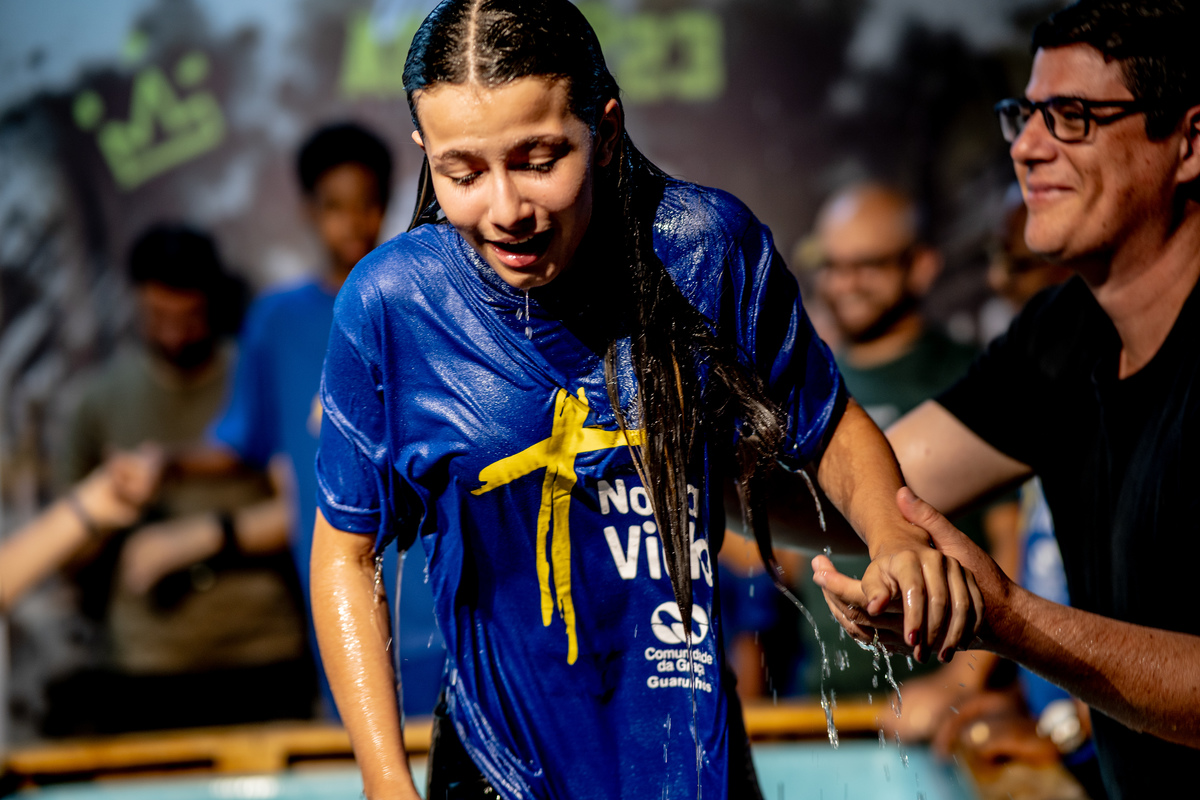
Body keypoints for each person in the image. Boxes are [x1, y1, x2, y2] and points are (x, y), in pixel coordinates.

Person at [310, 2, 982, 798]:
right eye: (462, 173)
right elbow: (346, 553)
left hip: (691, 757)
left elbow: (827, 423)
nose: (505, 209)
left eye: (539, 158)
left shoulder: (706, 249)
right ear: (425, 154)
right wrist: (386, 784)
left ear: (607, 129)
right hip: (499, 772)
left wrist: (888, 536)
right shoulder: (392, 305)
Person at [814, 1, 1200, 796]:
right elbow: (876, 488)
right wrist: (674, 456)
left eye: (1073, 117)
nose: (1027, 147)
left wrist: (1009, 621)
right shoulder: (1065, 333)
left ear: (1190, 142)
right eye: (1024, 115)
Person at [205, 122, 444, 718]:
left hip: (441, 597)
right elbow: (242, 442)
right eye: (335, 206)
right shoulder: (277, 323)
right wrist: (159, 467)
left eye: (367, 205)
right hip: (346, 593)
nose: (352, 224)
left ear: (387, 203)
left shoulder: (428, 303)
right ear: (310, 210)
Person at [51, 224, 312, 734]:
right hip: (149, 670)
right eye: (157, 317)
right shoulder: (100, 402)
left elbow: (311, 508)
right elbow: (65, 552)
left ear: (211, 303)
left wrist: (196, 537)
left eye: (188, 318)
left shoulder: (254, 375)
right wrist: (107, 510)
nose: (173, 334)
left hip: (262, 655)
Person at [796, 183, 1007, 735]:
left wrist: (958, 684)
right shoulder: (806, 387)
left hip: (935, 710)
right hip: (815, 704)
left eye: (867, 266)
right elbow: (767, 545)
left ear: (921, 266)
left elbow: (1015, 545)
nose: (845, 284)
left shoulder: (975, 379)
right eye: (833, 266)